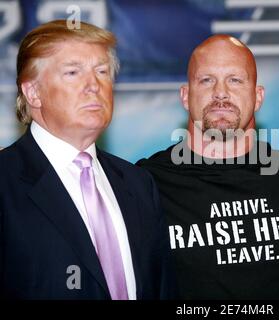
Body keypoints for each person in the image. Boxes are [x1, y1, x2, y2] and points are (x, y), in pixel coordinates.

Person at [137, 34, 279, 299]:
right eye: (206, 80)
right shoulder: (145, 184)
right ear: (185, 96)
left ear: (258, 97)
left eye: (235, 80)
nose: (221, 92)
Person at [0, 20, 175, 299]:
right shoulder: (5, 184)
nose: (93, 85)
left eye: (102, 71)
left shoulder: (139, 184)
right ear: (33, 93)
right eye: (72, 72)